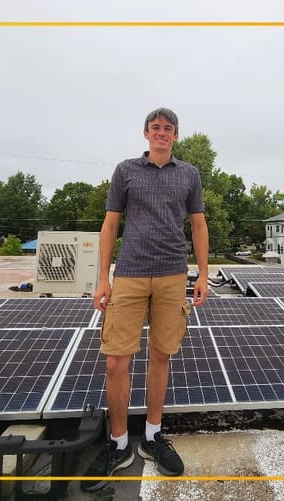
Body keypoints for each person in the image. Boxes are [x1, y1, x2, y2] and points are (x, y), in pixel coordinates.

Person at [81, 107, 209, 491]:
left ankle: (153, 435)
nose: (162, 133)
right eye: (156, 128)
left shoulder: (189, 174)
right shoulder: (125, 171)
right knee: (117, 362)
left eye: (168, 129)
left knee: (161, 356)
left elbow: (198, 223)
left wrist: (203, 273)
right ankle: (118, 444)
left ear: (175, 136)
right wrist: (102, 277)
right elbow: (110, 223)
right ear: (145, 134)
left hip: (173, 275)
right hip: (131, 275)